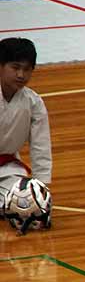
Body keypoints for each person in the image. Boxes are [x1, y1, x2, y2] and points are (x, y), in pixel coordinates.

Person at [0, 37, 52, 203]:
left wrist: (41, 186)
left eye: (27, 69)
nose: (21, 75)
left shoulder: (33, 102)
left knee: (25, 202)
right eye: (15, 68)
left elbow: (41, 146)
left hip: (6, 169)